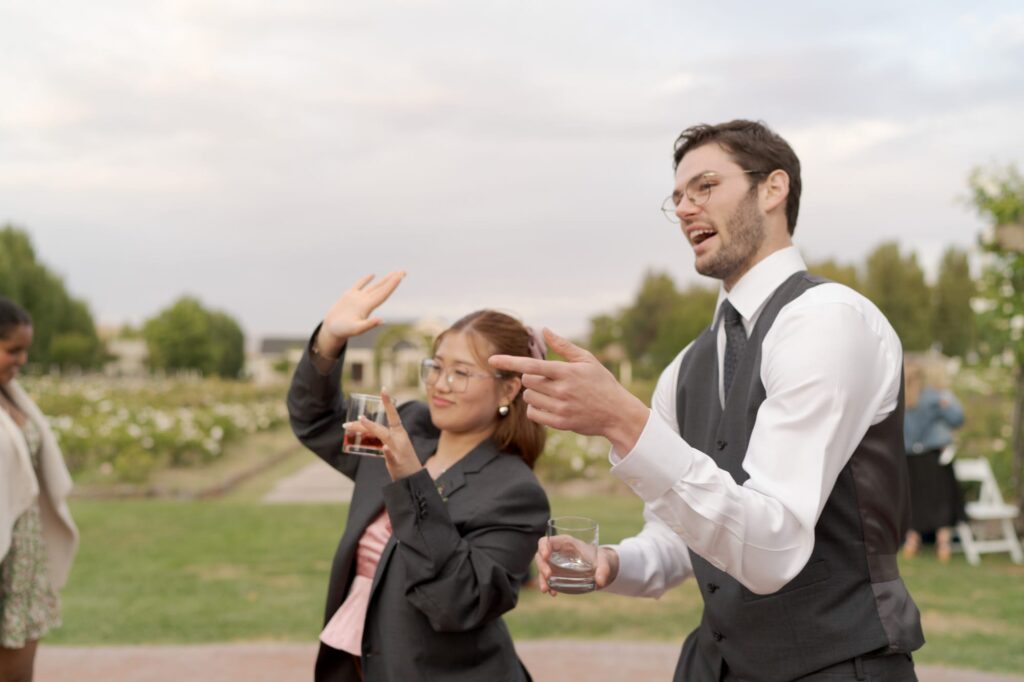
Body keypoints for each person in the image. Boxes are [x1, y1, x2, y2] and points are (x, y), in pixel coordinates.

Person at [491, 120, 924, 681]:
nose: (686, 208)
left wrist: (624, 420)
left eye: (705, 186)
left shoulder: (828, 321)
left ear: (773, 189)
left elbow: (772, 548)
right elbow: (681, 536)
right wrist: (613, 563)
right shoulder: (685, 369)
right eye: (676, 198)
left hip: (840, 664)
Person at [287, 272, 550, 682]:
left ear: (508, 390)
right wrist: (329, 341)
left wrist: (412, 480)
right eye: (436, 366)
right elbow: (316, 420)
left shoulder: (515, 493)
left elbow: (456, 602)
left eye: (461, 373)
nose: (439, 384)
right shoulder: (407, 424)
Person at [0, 297, 79, 682]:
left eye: (25, 350)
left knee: (22, 667)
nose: (21, 360)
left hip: (25, 554)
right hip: (3, 553)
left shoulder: (12, 394)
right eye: (13, 350)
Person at [902, 357, 965, 563]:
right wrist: (948, 400)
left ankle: (911, 542)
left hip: (909, 457)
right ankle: (943, 545)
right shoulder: (933, 397)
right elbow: (957, 419)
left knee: (913, 500)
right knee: (942, 499)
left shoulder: (896, 400)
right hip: (934, 456)